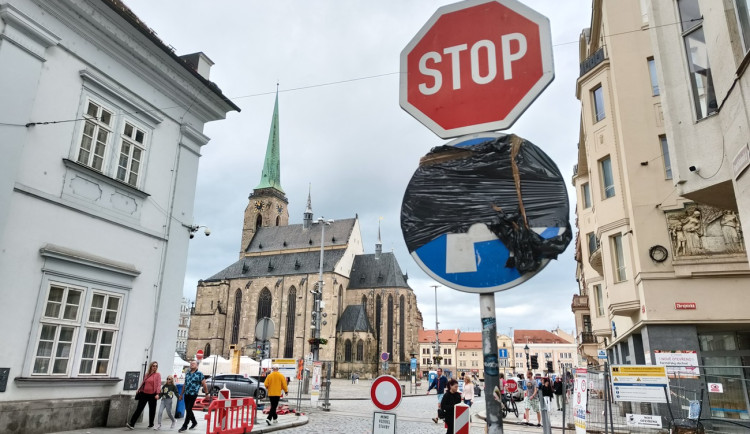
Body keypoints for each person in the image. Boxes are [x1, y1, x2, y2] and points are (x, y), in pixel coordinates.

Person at [127, 361, 161, 430]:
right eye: (153, 366)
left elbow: (158, 385)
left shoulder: (158, 375)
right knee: (139, 409)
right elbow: (143, 383)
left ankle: (151, 424)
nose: (155, 367)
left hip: (152, 395)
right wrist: (139, 389)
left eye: (156, 366)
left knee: (152, 410)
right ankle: (132, 424)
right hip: (144, 394)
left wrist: (157, 394)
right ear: (151, 366)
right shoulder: (147, 374)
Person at [178, 360, 207, 433]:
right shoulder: (187, 373)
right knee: (188, 409)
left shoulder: (199, 374)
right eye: (191, 364)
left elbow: (204, 384)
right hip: (187, 393)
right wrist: (181, 394)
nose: (191, 365)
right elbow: (185, 384)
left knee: (188, 408)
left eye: (193, 364)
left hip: (193, 394)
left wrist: (207, 393)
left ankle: (185, 426)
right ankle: (194, 422)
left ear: (197, 365)